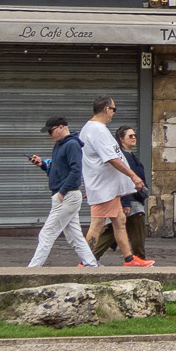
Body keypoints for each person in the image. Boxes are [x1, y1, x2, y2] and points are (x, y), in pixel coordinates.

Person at [80, 97, 151, 267]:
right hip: (104, 187)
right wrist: (133, 176)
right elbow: (111, 158)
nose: (113, 112)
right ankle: (85, 262)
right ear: (106, 109)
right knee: (97, 225)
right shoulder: (97, 130)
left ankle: (129, 259)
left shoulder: (95, 129)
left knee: (120, 221)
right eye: (113, 109)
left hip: (108, 187)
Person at [27, 117, 97, 269]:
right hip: (66, 195)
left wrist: (62, 192)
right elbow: (60, 170)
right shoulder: (60, 145)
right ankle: (92, 266)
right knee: (74, 237)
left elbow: (76, 170)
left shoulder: (71, 144)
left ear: (60, 127)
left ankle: (32, 270)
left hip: (66, 196)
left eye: (50, 131)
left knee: (47, 233)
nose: (49, 135)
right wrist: (43, 165)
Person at [93, 126, 148, 261]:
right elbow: (123, 179)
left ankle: (89, 259)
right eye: (130, 136)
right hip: (131, 202)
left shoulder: (129, 156)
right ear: (121, 139)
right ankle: (139, 262)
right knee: (137, 238)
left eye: (135, 135)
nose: (134, 137)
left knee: (112, 232)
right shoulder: (124, 158)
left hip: (129, 200)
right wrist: (125, 202)